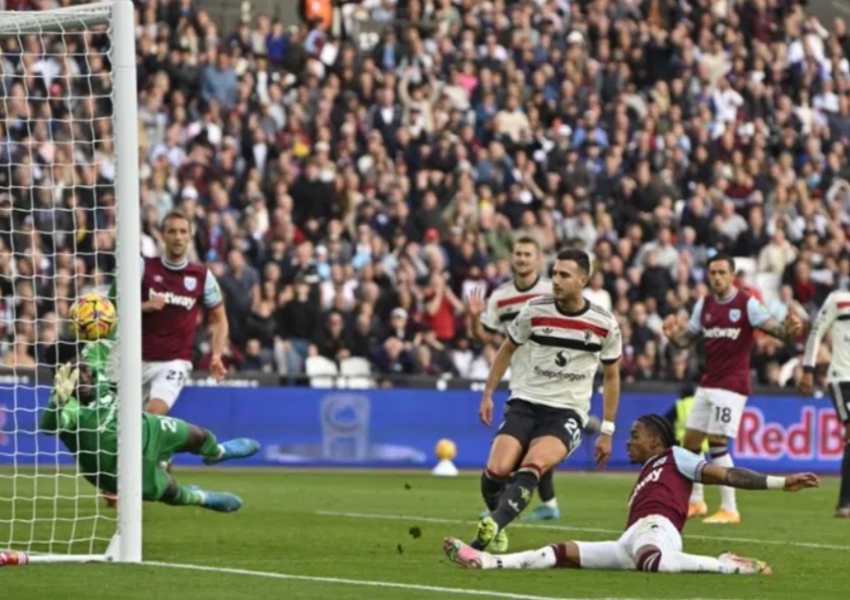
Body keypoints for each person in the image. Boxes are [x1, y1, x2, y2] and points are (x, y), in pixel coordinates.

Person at [444, 414, 819, 574]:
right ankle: (489, 562)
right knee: (556, 553)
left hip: (658, 531)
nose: (628, 440)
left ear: (656, 439)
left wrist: (782, 482)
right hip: (629, 539)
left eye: (635, 435)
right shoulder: (647, 472)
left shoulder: (678, 456)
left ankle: (726, 564)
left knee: (652, 562)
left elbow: (730, 474)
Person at [472, 248, 621, 551]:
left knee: (533, 465)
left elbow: (612, 376)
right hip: (525, 402)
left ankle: (490, 529)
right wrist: (488, 393)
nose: (555, 280)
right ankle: (498, 522)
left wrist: (607, 430)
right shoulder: (534, 310)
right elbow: (506, 350)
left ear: (582, 280)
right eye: (553, 273)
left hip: (567, 412)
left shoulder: (604, 323)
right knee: (496, 471)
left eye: (564, 275)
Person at [662, 254, 803, 524]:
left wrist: (789, 329)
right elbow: (686, 340)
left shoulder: (746, 304)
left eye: (721, 273)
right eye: (712, 272)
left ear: (732, 275)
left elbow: (776, 330)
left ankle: (730, 508)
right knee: (689, 444)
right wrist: (672, 336)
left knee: (717, 443)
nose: (716, 277)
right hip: (708, 383)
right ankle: (697, 502)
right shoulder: (704, 305)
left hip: (732, 386)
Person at [40, 362, 259, 512]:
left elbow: (108, 332)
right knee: (169, 491)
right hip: (112, 466)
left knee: (197, 435)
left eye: (85, 371)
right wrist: (57, 401)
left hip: (144, 429)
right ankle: (203, 498)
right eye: (77, 378)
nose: (85, 379)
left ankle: (217, 453)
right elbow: (49, 428)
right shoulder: (69, 408)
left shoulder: (99, 376)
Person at [466, 236, 561, 522]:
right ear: (511, 259)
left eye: (527, 254)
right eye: (518, 254)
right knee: (532, 445)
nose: (521, 259)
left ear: (538, 259)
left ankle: (514, 506)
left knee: (530, 445)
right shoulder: (501, 296)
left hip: (552, 379)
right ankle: (547, 504)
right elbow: (483, 336)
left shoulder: (550, 290)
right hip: (520, 380)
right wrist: (473, 318)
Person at [109, 210, 229, 416]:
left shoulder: (202, 276)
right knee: (120, 424)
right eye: (172, 231)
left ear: (190, 236)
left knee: (153, 415)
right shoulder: (144, 267)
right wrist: (145, 306)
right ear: (163, 235)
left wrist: (216, 355)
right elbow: (113, 309)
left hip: (174, 362)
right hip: (133, 359)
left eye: (183, 231)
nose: (178, 237)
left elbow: (220, 319)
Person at [799, 288, 850, 517]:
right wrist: (808, 369)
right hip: (843, 378)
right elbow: (816, 331)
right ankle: (845, 504)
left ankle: (845, 504)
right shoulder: (839, 300)